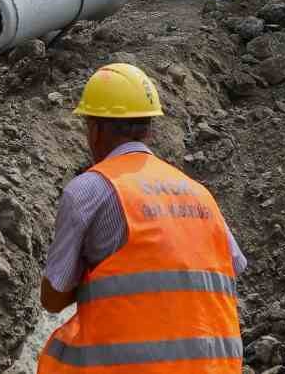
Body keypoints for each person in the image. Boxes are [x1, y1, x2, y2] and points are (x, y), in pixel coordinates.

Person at [37, 63, 246, 372]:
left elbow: (53, 299)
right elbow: (232, 269)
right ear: (150, 129)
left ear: (94, 130)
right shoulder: (199, 193)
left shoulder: (89, 190)